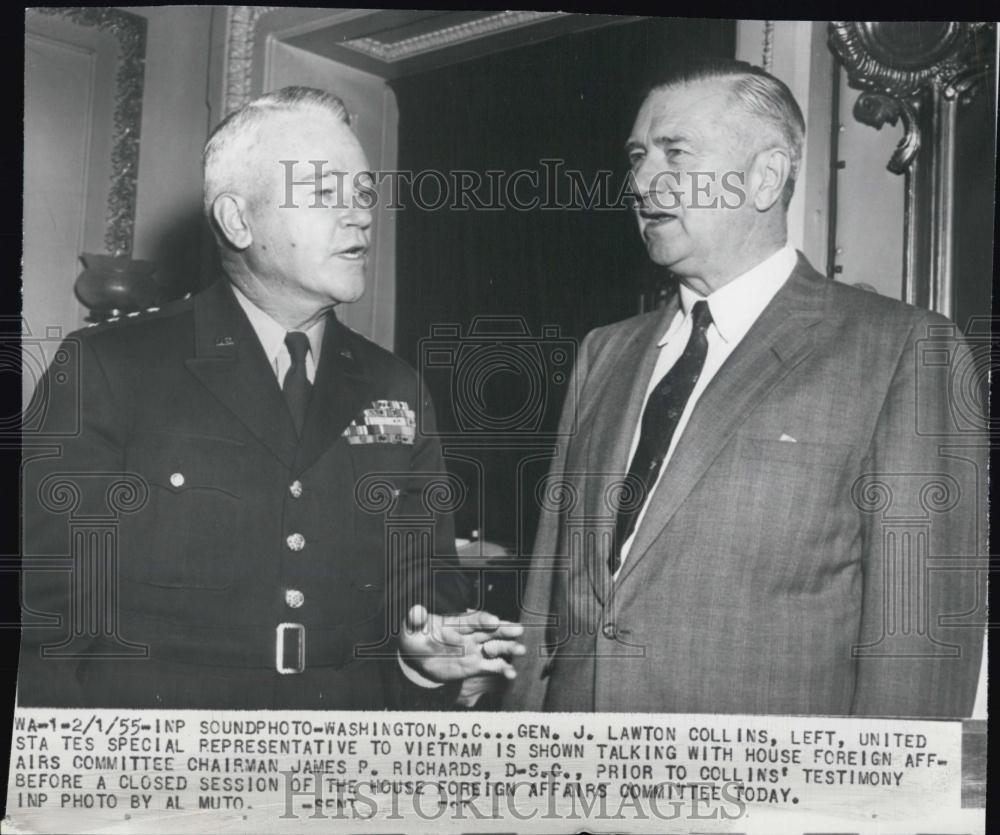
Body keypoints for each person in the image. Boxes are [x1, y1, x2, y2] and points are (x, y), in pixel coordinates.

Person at [504, 60, 985, 716]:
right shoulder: (604, 352)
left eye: (676, 153)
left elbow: (916, 656)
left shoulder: (902, 351)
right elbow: (546, 613)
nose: (642, 181)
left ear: (766, 176)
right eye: (639, 156)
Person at [18, 86, 522, 709]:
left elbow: (426, 594)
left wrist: (424, 666)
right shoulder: (108, 368)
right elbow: (44, 624)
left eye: (363, 194)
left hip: (345, 764)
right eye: (323, 191)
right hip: (166, 767)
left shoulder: (395, 387)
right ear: (237, 219)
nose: (360, 215)